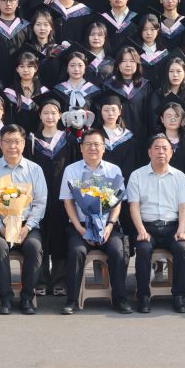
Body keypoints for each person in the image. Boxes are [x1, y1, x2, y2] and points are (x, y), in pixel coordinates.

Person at [0, 125, 49, 315]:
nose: (12, 146)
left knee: (34, 247)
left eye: (16, 141)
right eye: (7, 141)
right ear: (0, 144)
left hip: (26, 226)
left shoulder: (35, 170)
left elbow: (40, 203)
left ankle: (27, 298)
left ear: (24, 144)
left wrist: (27, 227)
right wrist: (1, 228)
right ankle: (5, 298)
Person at [60, 126, 130, 314]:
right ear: (81, 147)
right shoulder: (71, 170)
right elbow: (68, 202)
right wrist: (79, 228)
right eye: (88, 144)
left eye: (97, 144)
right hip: (81, 225)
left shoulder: (113, 170)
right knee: (77, 251)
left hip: (107, 225)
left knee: (117, 251)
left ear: (104, 148)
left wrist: (110, 226)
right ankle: (71, 300)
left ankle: (120, 299)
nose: (93, 148)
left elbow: (117, 203)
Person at [127, 134, 185, 313]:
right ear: (149, 152)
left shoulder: (179, 176)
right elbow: (134, 207)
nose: (161, 152)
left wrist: (181, 229)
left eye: (165, 148)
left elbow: (184, 208)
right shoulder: (137, 175)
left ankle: (179, 296)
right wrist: (141, 230)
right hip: (147, 226)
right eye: (156, 148)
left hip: (172, 226)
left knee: (182, 248)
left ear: (171, 153)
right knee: (143, 249)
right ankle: (143, 296)